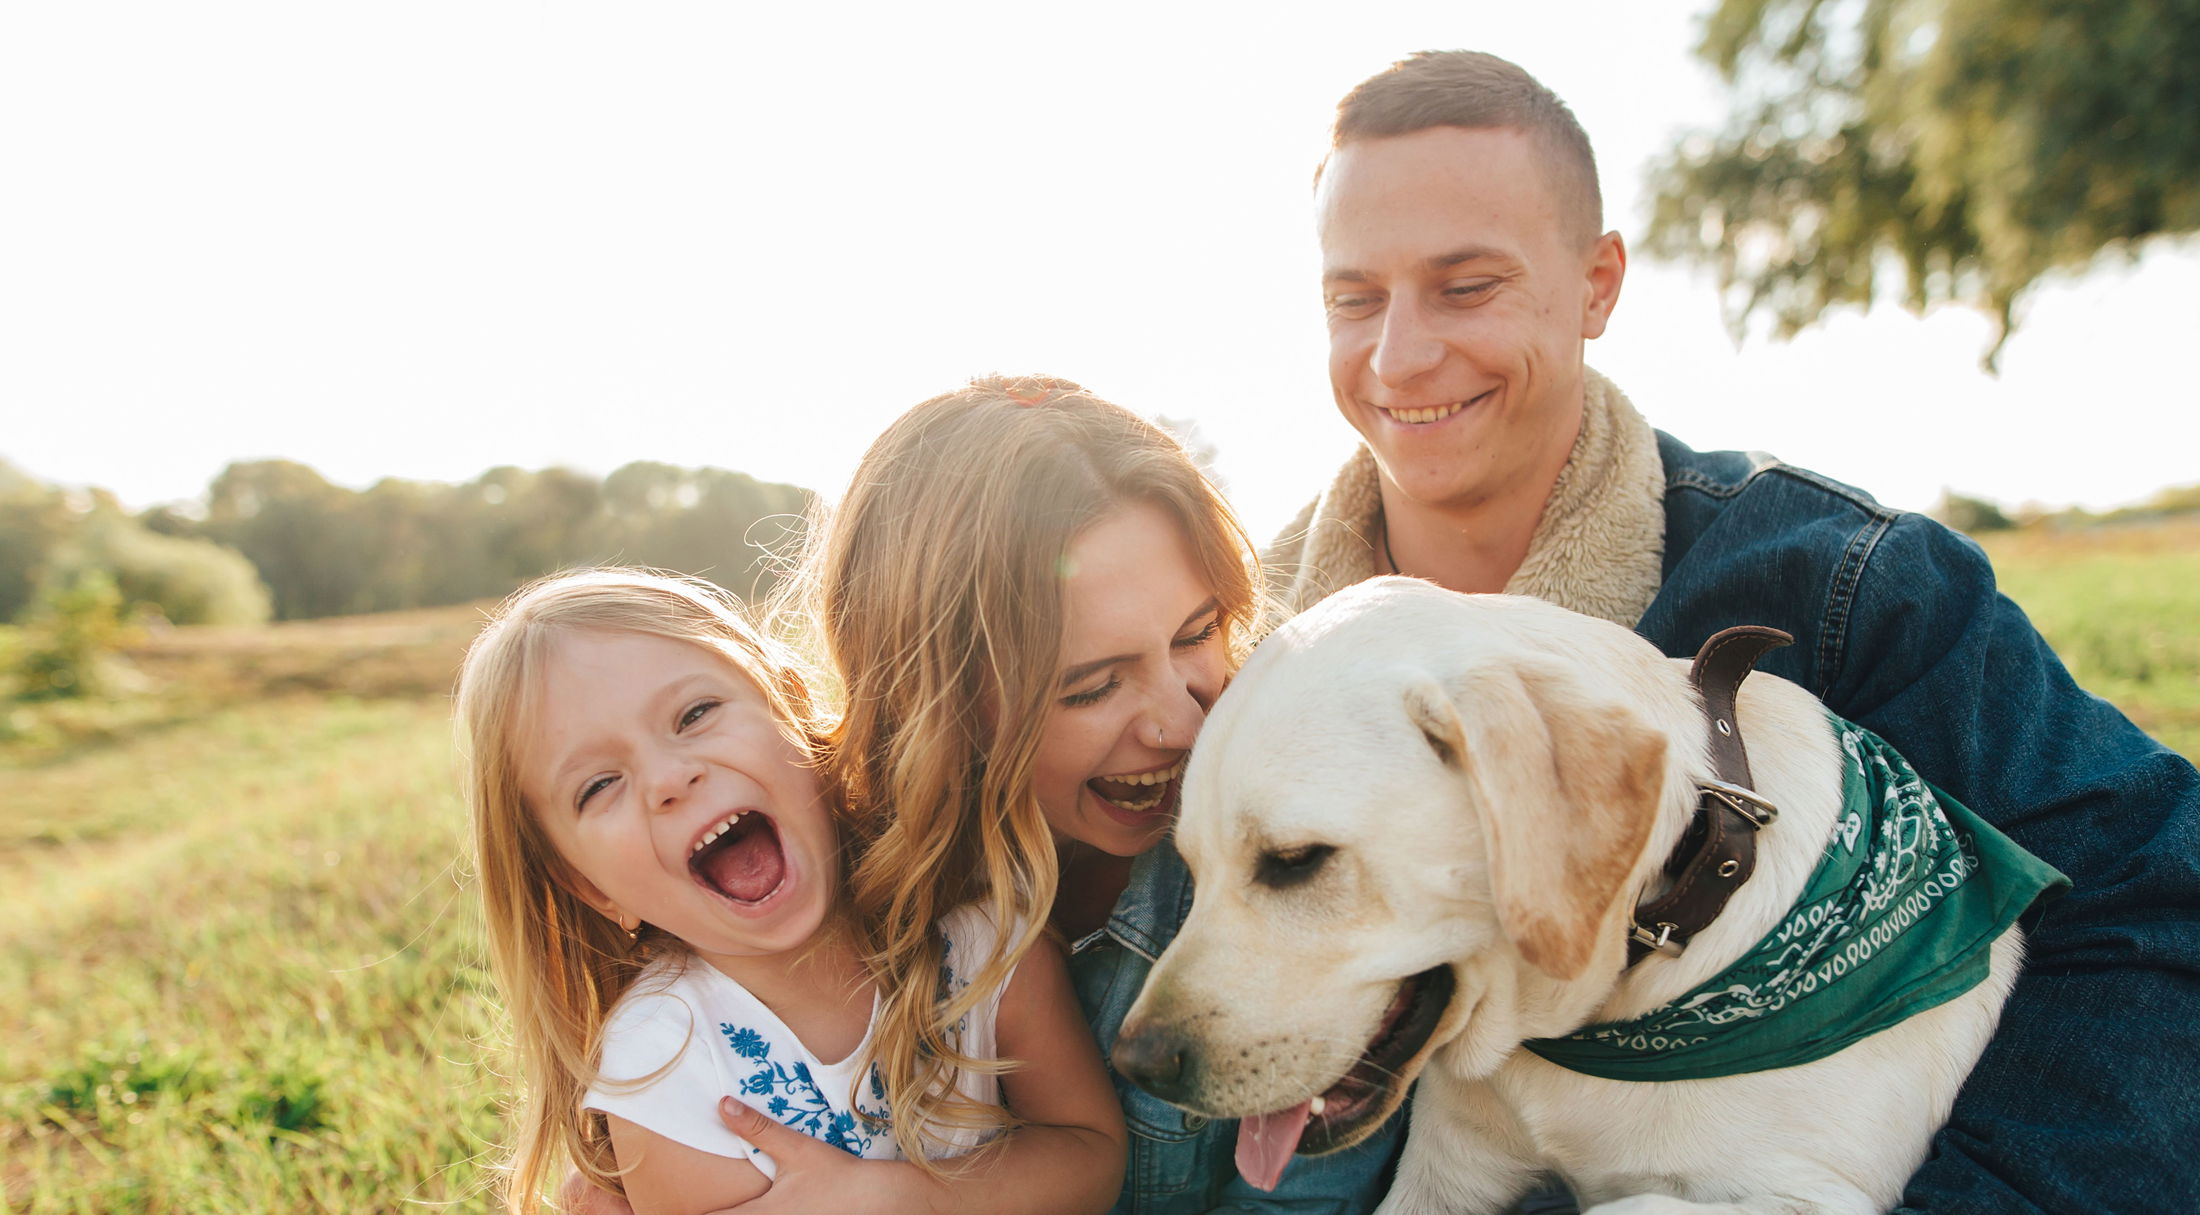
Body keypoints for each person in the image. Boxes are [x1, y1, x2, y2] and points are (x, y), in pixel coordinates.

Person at [1267, 50, 2200, 1213]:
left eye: (1467, 287)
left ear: (1598, 283)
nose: (1399, 353)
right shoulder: (1230, 663)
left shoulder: (1845, 587)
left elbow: (2161, 892)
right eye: (1353, 297)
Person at [654, 376, 1400, 1213]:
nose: (1181, 725)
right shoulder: (797, 882)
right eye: (1089, 686)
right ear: (939, 708)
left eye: (1198, 634)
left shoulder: (1299, 859)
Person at [455, 568, 1125, 1215]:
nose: (669, 777)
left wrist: (910, 1199)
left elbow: (1091, 1157)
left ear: (790, 705)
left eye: (694, 713)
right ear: (586, 885)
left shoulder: (972, 933)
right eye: (598, 785)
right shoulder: (662, 1061)